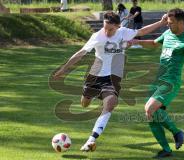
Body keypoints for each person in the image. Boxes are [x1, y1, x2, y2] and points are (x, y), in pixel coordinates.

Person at [53, 11, 169, 152]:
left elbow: (142, 31)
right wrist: (64, 69)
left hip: (112, 78)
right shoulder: (97, 36)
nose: (107, 32)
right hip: (94, 76)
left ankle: (91, 140)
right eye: (105, 28)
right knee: (84, 104)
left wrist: (162, 23)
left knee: (111, 103)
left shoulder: (123, 32)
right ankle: (91, 96)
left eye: (110, 29)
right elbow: (80, 53)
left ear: (118, 26)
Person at [131, 8, 184, 158]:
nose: (168, 25)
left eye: (171, 23)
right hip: (158, 80)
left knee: (149, 108)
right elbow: (153, 44)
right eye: (167, 22)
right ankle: (166, 149)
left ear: (181, 22)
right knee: (150, 114)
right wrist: (134, 42)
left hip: (171, 81)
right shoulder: (167, 33)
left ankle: (177, 132)